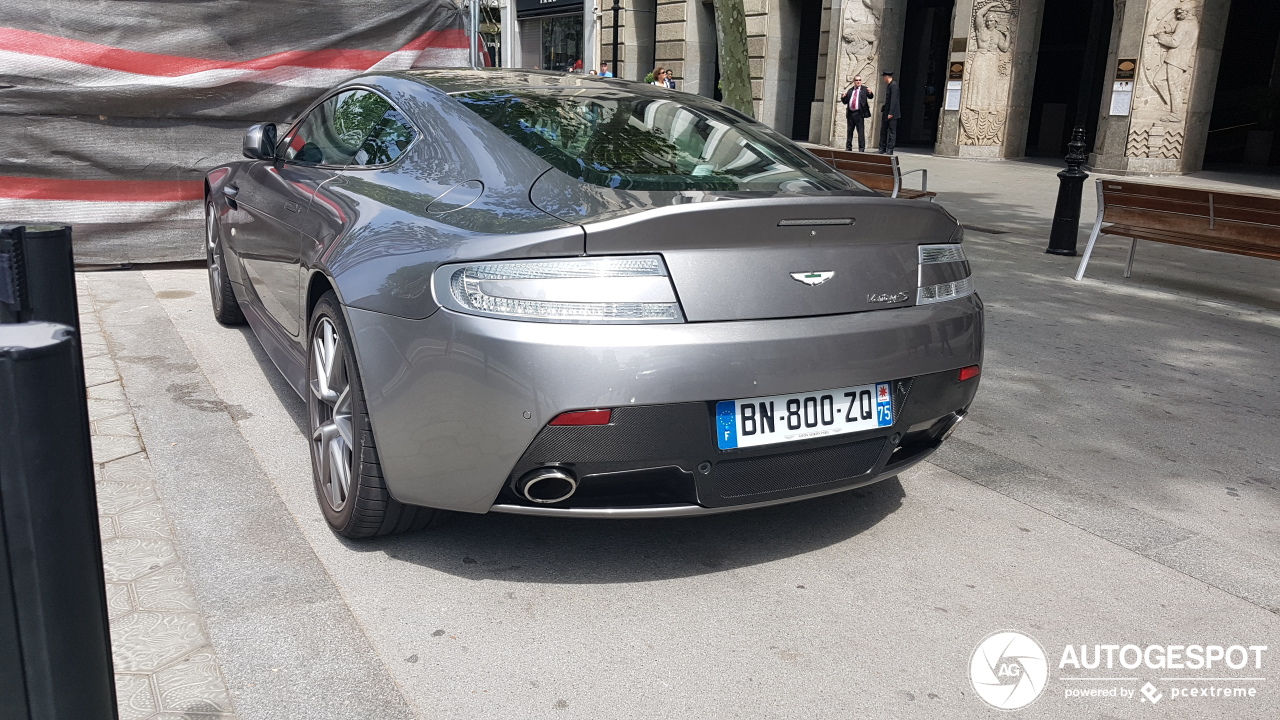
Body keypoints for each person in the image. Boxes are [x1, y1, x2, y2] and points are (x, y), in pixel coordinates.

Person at [839, 75, 874, 152]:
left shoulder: (864, 89)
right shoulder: (850, 90)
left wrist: (870, 93)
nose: (858, 81)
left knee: (860, 132)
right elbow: (845, 102)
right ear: (854, 82)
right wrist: (843, 97)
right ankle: (848, 147)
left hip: (859, 113)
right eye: (856, 80)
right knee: (849, 131)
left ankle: (861, 149)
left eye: (859, 80)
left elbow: (870, 96)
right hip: (851, 113)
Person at [878, 70, 900, 154]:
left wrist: (891, 113)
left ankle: (890, 149)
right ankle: (882, 148)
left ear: (886, 77)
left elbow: (894, 100)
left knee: (891, 131)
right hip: (887, 111)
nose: (883, 79)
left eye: (884, 77)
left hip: (892, 113)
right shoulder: (889, 85)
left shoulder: (894, 85)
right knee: (883, 130)